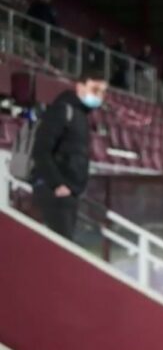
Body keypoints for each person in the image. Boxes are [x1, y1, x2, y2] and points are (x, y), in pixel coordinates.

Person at [31, 67, 108, 239]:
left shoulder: (81, 116)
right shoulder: (61, 110)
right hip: (55, 194)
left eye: (103, 92)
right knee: (58, 248)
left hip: (70, 193)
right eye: (95, 90)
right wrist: (58, 185)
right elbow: (41, 150)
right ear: (80, 87)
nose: (99, 95)